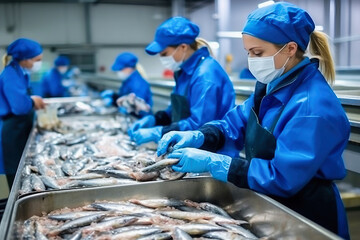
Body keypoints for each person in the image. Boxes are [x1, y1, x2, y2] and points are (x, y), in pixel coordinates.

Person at [157, 3, 350, 239]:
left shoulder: (312, 106)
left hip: (306, 213)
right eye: (248, 52)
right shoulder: (271, 87)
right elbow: (232, 125)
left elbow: (282, 177)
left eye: (257, 53)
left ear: (290, 48)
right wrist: (200, 136)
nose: (251, 59)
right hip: (271, 201)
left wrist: (216, 163)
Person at [128, 17, 235, 145]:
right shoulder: (184, 72)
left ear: (183, 47)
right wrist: (155, 119)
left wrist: (159, 132)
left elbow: (200, 125)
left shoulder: (205, 75)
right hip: (189, 146)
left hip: (214, 151)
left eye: (164, 53)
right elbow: (175, 110)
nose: (162, 58)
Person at [0, 38, 46, 188]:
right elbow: (19, 106)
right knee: (16, 170)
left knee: (24, 166)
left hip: (20, 126)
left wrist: (31, 99)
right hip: (13, 130)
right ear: (25, 60)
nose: (39, 63)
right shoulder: (11, 75)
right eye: (37, 60)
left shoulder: (20, 72)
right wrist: (32, 101)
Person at [101, 52, 153, 116]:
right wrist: (114, 96)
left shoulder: (137, 84)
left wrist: (124, 107)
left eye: (120, 69)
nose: (119, 72)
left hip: (139, 119)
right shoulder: (128, 80)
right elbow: (125, 96)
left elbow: (137, 105)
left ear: (128, 68)